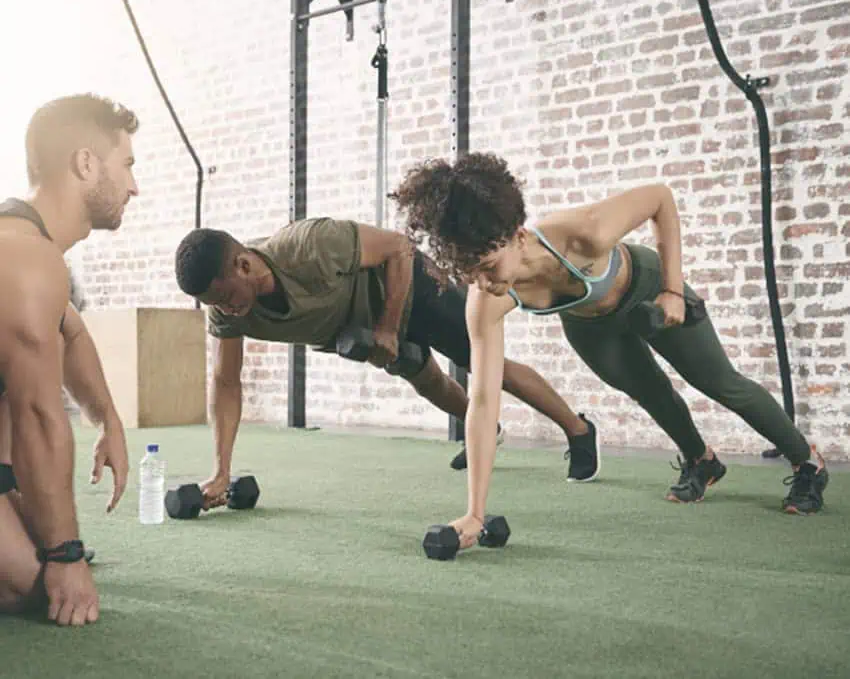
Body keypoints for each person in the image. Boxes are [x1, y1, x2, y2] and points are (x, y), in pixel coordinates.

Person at [389, 151, 829, 549]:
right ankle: (702, 461)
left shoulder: (582, 235)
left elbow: (660, 198)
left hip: (646, 288)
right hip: (589, 325)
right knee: (651, 392)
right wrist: (475, 513)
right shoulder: (485, 300)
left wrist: (674, 291)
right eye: (469, 272)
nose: (483, 283)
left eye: (487, 267)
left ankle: (807, 461)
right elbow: (483, 403)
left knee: (718, 382)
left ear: (517, 236)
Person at [173, 217, 601, 508]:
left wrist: (389, 328)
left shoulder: (309, 245)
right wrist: (221, 471)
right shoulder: (225, 313)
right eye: (215, 305)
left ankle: (579, 431)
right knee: (430, 384)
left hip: (412, 289)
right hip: (373, 330)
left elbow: (400, 247)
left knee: (489, 368)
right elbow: (225, 383)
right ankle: (484, 431)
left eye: (228, 298)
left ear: (244, 264)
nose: (227, 311)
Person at [0, 94, 139, 626]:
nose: (133, 185)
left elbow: (72, 334)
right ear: (86, 163)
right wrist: (64, 554)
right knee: (33, 589)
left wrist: (108, 419)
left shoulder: (27, 239)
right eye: (126, 164)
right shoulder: (27, 259)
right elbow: (38, 414)